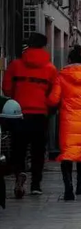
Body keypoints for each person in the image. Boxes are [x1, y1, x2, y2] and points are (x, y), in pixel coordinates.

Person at [1, 32, 58, 197]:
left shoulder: (15, 65)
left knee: (18, 149)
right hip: (40, 115)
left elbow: (6, 88)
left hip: (19, 115)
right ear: (44, 46)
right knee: (38, 151)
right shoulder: (50, 69)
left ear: (28, 45)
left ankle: (20, 175)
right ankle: (36, 184)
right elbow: (55, 94)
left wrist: (17, 97)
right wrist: (47, 105)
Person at [47, 45, 81, 201]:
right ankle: (80, 187)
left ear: (69, 60)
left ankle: (68, 190)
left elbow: (53, 99)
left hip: (67, 121)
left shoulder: (62, 75)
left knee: (68, 155)